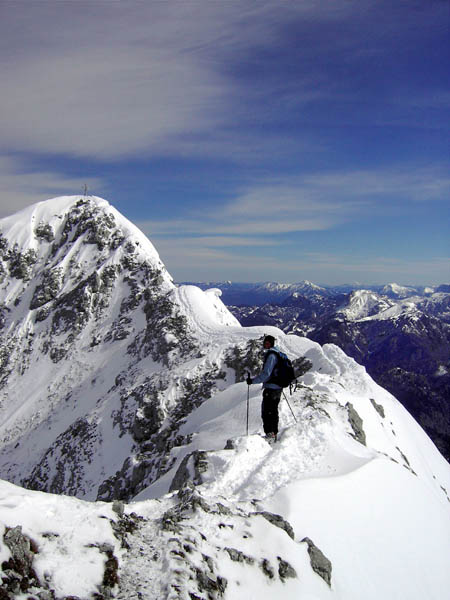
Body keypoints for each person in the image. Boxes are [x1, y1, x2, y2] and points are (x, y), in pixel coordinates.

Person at [246, 335, 282, 443]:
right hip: (277, 387)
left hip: (271, 388)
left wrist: (252, 381)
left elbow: (266, 374)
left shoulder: (271, 356)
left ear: (271, 344)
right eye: (265, 343)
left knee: (267, 412)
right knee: (273, 410)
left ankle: (270, 435)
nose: (266, 344)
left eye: (268, 343)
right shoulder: (277, 353)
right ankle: (273, 433)